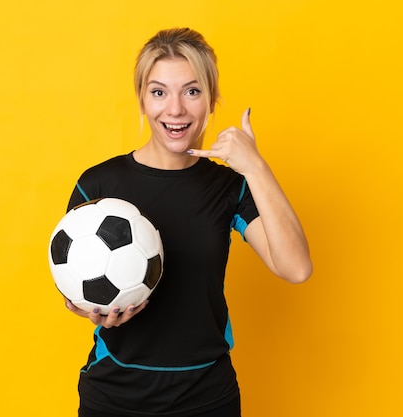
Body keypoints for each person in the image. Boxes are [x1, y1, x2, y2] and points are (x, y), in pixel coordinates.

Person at [63, 27, 312, 417]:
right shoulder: (97, 185)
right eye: (159, 92)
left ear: (212, 101)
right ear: (142, 101)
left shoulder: (229, 186)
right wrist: (85, 307)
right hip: (114, 396)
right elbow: (75, 278)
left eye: (192, 91)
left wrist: (256, 168)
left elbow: (296, 267)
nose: (175, 109)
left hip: (206, 396)